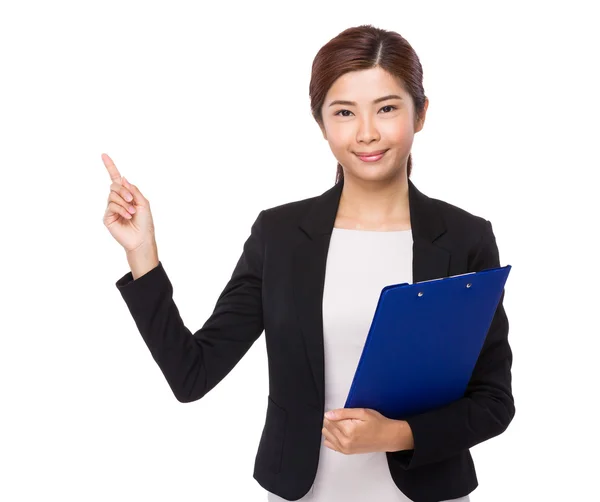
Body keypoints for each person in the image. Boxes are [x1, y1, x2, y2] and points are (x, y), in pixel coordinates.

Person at [103, 25, 514, 502]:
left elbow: (493, 402)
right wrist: (142, 255)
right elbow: (192, 374)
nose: (366, 133)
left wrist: (397, 434)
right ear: (321, 123)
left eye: (387, 108)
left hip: (430, 493)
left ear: (421, 113)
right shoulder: (279, 235)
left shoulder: (465, 237)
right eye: (344, 112)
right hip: (303, 492)